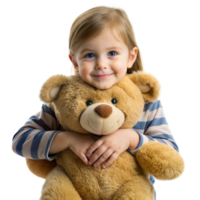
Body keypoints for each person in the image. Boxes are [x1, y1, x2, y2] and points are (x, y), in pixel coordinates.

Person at [10, 2, 181, 199]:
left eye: (112, 53)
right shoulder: (64, 99)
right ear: (74, 61)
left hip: (128, 189)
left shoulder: (146, 102)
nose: (101, 64)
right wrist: (67, 140)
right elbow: (19, 141)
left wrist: (131, 138)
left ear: (130, 56)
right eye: (90, 55)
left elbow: (170, 152)